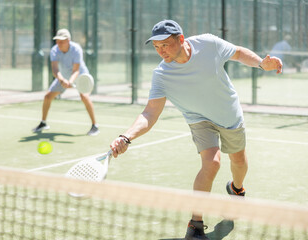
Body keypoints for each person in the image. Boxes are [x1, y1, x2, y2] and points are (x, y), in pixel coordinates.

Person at [109, 20, 282, 240]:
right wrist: (126, 136)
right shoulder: (161, 74)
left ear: (181, 39)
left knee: (238, 160)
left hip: (228, 112)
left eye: (166, 45)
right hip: (198, 119)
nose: (161, 51)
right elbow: (150, 113)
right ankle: (195, 224)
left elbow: (237, 53)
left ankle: (237, 188)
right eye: (156, 47)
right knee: (212, 163)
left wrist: (261, 64)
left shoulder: (208, 44)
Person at [33, 29, 99, 136]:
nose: (59, 43)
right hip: (62, 76)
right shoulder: (54, 50)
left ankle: (94, 126)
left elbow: (76, 70)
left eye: (62, 41)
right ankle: (43, 123)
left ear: (68, 40)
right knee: (48, 96)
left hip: (80, 76)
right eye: (57, 41)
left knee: (84, 97)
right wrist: (62, 80)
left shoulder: (76, 49)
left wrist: (70, 81)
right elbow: (54, 69)